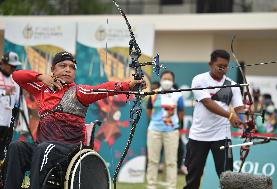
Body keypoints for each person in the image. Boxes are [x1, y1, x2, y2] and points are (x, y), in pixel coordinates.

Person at [4, 51, 143, 189]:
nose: (67, 70)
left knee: (43, 148)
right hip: (43, 146)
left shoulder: (79, 92)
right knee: (16, 147)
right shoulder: (41, 89)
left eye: (72, 67)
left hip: (68, 149)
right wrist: (40, 77)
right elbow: (17, 76)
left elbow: (102, 89)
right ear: (53, 70)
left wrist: (128, 85)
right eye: (63, 65)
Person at [183, 49, 244, 189]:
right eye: (219, 65)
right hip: (198, 136)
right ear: (211, 63)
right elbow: (208, 103)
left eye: (226, 66)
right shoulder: (199, 79)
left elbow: (239, 108)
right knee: (193, 176)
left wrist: (243, 120)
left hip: (222, 135)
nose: (223, 69)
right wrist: (230, 115)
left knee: (227, 177)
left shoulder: (233, 85)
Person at [146, 70, 184, 189]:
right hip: (154, 131)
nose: (167, 81)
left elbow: (181, 112)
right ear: (161, 80)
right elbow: (149, 110)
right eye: (165, 79)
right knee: (153, 160)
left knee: (171, 161)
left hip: (171, 131)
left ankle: (171, 186)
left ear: (173, 81)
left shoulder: (178, 94)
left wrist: (175, 124)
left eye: (169, 79)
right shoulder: (154, 93)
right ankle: (151, 185)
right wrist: (156, 120)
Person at [0, 52, 22, 162]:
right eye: (11, 66)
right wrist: (4, 93)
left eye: (15, 67)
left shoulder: (15, 81)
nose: (13, 69)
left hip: (7, 123)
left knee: (3, 151)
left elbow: (16, 104)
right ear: (3, 63)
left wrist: (14, 120)